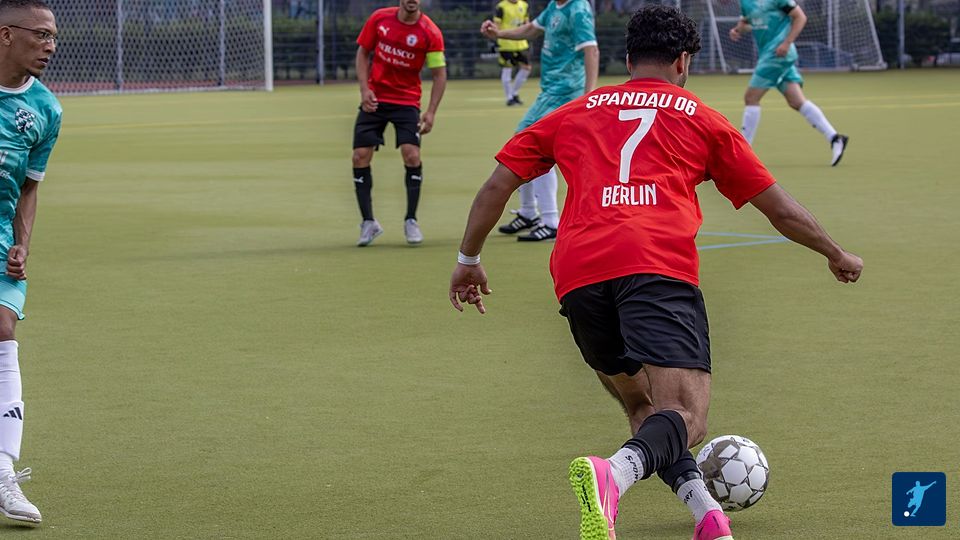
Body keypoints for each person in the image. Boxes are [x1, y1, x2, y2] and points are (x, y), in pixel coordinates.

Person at [450, 6, 862, 540]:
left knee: (645, 407)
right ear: (683, 61)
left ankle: (706, 514)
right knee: (687, 416)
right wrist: (835, 252)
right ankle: (613, 475)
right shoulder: (703, 119)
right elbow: (779, 209)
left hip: (578, 277)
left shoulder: (573, 113)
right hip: (655, 268)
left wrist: (468, 261)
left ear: (627, 60)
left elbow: (497, 185)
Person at [0, 0, 62, 525]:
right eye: (40, 34)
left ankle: (3, 472)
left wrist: (23, 244)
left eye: (53, 37)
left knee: (3, 328)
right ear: (6, 35)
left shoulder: (46, 109)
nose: (50, 46)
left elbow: (28, 188)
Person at [481, 0, 598, 242]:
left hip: (566, 91)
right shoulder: (555, 5)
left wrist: (588, 97)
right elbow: (531, 29)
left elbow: (591, 50)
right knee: (524, 145)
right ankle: (528, 213)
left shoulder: (577, 9)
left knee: (535, 148)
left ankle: (550, 220)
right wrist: (499, 34)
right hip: (551, 91)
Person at [352, 0, 447, 246]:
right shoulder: (379, 18)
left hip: (406, 101)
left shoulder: (430, 32)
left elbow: (439, 75)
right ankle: (368, 222)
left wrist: (431, 112)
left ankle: (411, 220)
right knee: (360, 156)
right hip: (375, 98)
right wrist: (364, 90)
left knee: (412, 155)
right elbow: (363, 53)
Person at [730, 0, 849, 166]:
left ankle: (743, 154)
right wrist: (737, 30)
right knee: (796, 101)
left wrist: (787, 43)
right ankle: (835, 138)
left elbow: (800, 17)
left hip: (777, 54)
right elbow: (747, 22)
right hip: (770, 55)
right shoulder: (746, 2)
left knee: (751, 98)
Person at [492, 0, 532, 107]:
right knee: (507, 69)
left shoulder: (524, 5)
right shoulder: (501, 6)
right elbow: (496, 25)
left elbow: (527, 23)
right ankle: (509, 98)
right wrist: (495, 39)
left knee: (527, 68)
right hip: (506, 44)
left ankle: (514, 93)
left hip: (521, 43)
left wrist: (529, 34)